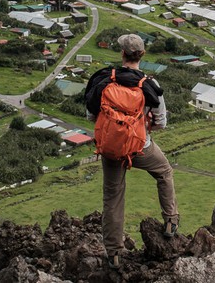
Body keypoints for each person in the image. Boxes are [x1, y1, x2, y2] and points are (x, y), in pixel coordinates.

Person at [85, 33, 179, 269]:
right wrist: (141, 127)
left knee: (113, 197)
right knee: (165, 173)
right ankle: (170, 222)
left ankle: (114, 254)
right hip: (140, 146)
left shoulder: (104, 80)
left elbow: (91, 116)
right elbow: (162, 122)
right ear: (142, 55)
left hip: (111, 149)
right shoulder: (149, 85)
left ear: (122, 54)